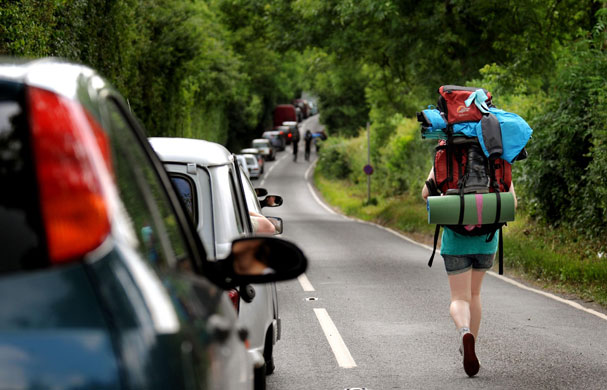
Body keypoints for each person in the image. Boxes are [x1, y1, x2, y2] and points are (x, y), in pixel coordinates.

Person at [422, 168, 517, 377]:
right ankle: (472, 340)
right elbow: (513, 202)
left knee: (459, 298)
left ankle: (464, 332)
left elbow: (426, 194)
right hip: (487, 240)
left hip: (456, 240)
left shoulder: (447, 151)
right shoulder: (496, 153)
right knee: (475, 294)